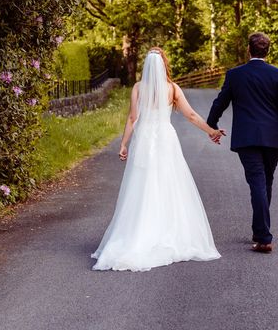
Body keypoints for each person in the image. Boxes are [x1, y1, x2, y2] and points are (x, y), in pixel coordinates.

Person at [91, 47, 223, 272]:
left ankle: (139, 232)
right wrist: (210, 131)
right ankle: (167, 231)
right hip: (165, 139)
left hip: (144, 139)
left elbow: (133, 118)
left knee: (141, 185)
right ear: (163, 65)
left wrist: (123, 143)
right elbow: (190, 115)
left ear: (146, 66)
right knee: (168, 183)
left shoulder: (138, 88)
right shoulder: (172, 88)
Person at [207, 32, 278, 253]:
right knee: (265, 181)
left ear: (249, 50)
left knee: (258, 182)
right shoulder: (277, 74)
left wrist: (212, 126)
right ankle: (260, 233)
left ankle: (263, 236)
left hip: (247, 138)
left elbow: (220, 102)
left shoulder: (235, 74)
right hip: (272, 138)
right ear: (267, 51)